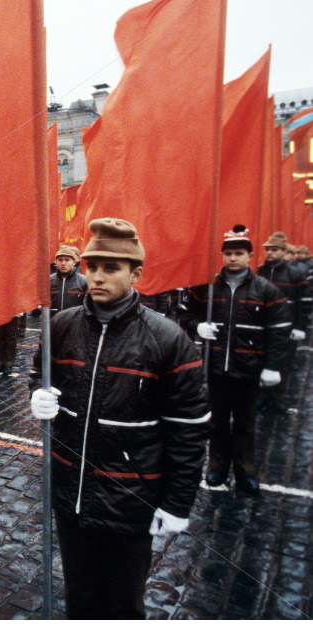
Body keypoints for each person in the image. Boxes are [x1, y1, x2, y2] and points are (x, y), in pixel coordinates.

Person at [30, 217, 209, 619]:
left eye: (111, 268)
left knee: (123, 606)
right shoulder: (61, 325)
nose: (96, 276)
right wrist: (36, 396)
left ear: (136, 273)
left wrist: (178, 503)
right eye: (92, 266)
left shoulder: (167, 338)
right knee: (80, 598)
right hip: (70, 493)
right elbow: (39, 373)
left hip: (129, 500)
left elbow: (189, 430)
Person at [184, 224, 290, 495]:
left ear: (250, 256)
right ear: (222, 255)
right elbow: (184, 313)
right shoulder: (207, 287)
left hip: (249, 370)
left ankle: (245, 470)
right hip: (216, 368)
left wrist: (273, 366)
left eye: (239, 253)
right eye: (228, 253)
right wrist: (197, 326)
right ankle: (217, 466)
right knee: (217, 422)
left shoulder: (264, 290)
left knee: (246, 424)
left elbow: (278, 332)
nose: (233, 258)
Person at [257, 232, 307, 407]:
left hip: (286, 325)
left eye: (274, 249)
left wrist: (300, 326)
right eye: (268, 249)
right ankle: (262, 395)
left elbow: (302, 303)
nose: (270, 253)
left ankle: (279, 397)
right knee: (262, 359)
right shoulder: (259, 271)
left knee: (282, 361)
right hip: (262, 324)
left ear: (283, 251)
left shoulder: (295, 274)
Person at [49, 245, 87, 317]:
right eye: (60, 260)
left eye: (67, 260)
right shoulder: (48, 280)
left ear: (74, 262)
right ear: (56, 262)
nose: (63, 263)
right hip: (53, 323)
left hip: (75, 324)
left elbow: (89, 307)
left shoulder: (84, 281)